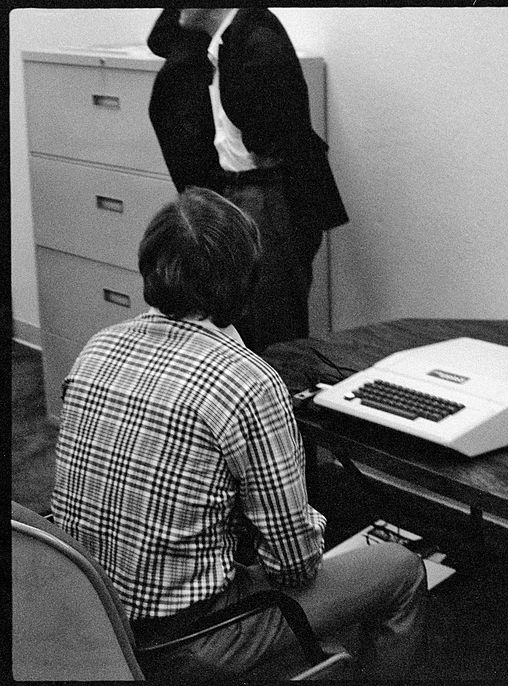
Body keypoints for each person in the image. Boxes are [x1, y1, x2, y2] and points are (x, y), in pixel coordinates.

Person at [50, 187, 425, 681]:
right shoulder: (246, 382)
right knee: (399, 569)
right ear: (243, 283)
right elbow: (296, 567)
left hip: (94, 616)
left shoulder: (98, 347)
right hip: (188, 641)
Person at [147, 8, 348, 354]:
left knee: (271, 332)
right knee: (247, 326)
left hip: (265, 192)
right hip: (237, 190)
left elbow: (273, 136)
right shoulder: (222, 38)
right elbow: (160, 38)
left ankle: (277, 404)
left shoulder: (257, 40)